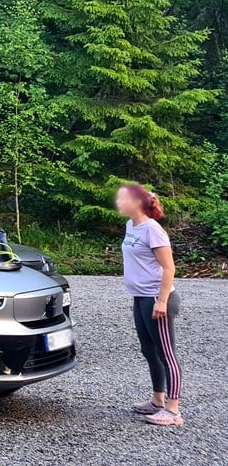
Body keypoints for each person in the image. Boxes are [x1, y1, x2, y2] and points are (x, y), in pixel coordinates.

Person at [116, 182, 183, 426]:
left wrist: (162, 301)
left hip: (157, 299)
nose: (118, 203)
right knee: (148, 350)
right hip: (140, 297)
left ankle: (173, 411)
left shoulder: (153, 230)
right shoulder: (131, 226)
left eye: (122, 199)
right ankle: (157, 400)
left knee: (167, 354)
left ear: (136, 202)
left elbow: (169, 268)